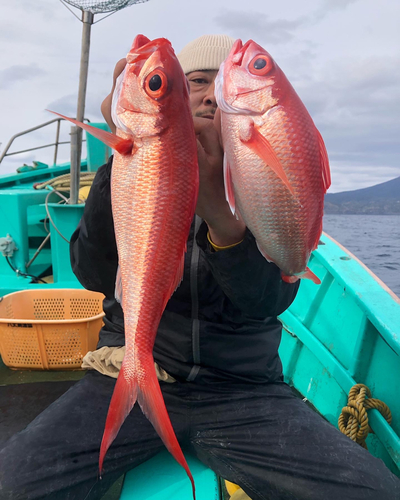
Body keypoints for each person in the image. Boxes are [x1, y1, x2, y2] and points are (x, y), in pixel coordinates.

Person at [0, 35, 399, 500]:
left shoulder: (259, 178)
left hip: (245, 389)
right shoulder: (135, 161)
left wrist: (225, 225)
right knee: (15, 483)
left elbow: (269, 300)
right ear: (176, 95)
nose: (211, 93)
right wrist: (122, 159)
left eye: (219, 82)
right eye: (195, 81)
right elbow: (91, 270)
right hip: (129, 368)